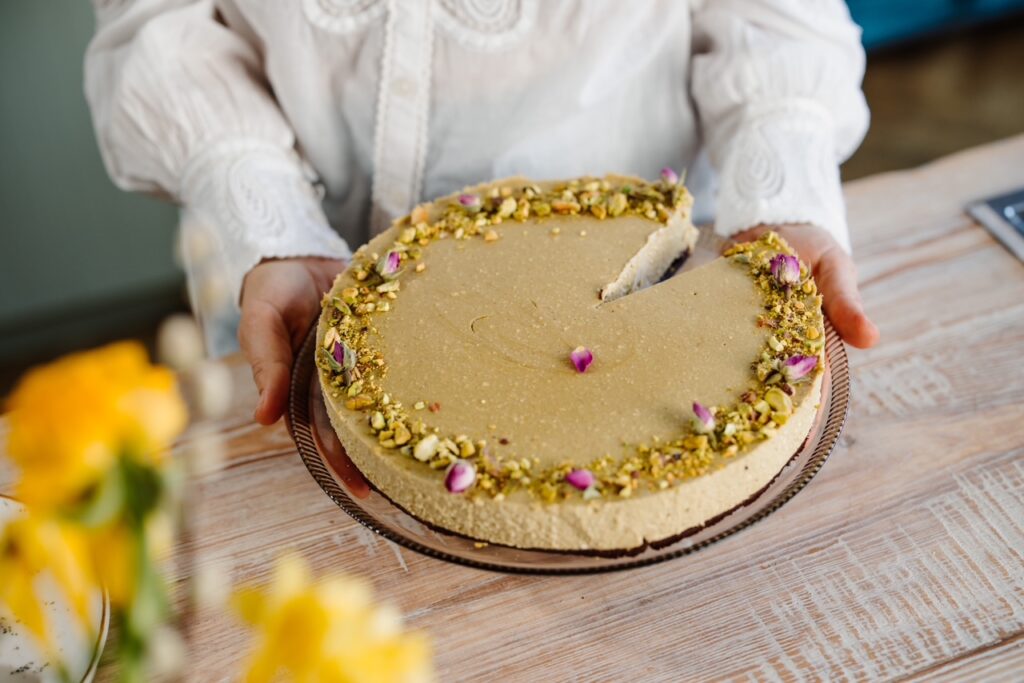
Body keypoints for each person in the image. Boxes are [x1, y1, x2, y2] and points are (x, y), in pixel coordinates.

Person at [85, 0, 879, 426]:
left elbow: (776, 20)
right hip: (286, 295)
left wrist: (780, 190)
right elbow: (159, 25)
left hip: (653, 317)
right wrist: (263, 217)